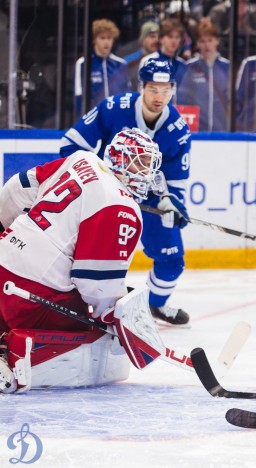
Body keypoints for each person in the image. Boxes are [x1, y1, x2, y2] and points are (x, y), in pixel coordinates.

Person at [0, 129, 160, 393]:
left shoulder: (82, 159)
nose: (146, 173)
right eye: (141, 163)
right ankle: (10, 355)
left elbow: (19, 187)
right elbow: (95, 282)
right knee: (94, 331)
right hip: (32, 290)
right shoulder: (122, 207)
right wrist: (112, 317)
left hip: (4, 259)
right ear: (121, 159)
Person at [59, 58, 192, 326]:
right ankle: (73, 304)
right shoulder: (113, 108)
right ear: (141, 86)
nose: (159, 97)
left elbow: (176, 179)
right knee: (88, 255)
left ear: (173, 90)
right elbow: (71, 145)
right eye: (153, 89)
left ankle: (154, 305)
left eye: (165, 90)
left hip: (150, 199)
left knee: (172, 259)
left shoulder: (177, 130)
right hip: (106, 194)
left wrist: (171, 202)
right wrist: (97, 181)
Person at [177, 17, 230, 132]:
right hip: (196, 131)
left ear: (217, 41)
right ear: (197, 44)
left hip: (223, 133)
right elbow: (182, 99)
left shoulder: (227, 67)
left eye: (210, 40)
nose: (206, 45)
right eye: (202, 41)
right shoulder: (190, 67)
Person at [74, 19, 130, 117]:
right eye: (102, 38)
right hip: (93, 119)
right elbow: (79, 96)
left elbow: (127, 94)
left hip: (116, 118)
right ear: (94, 39)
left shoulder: (121, 64)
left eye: (109, 38)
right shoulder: (83, 63)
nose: (106, 42)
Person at [140, 18, 188, 90]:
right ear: (161, 39)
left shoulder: (183, 65)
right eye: (170, 37)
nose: (174, 41)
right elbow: (142, 90)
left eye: (177, 37)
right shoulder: (148, 62)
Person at [123, 21, 160, 91]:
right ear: (143, 39)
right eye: (152, 36)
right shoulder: (128, 62)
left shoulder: (163, 61)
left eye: (159, 37)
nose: (156, 40)